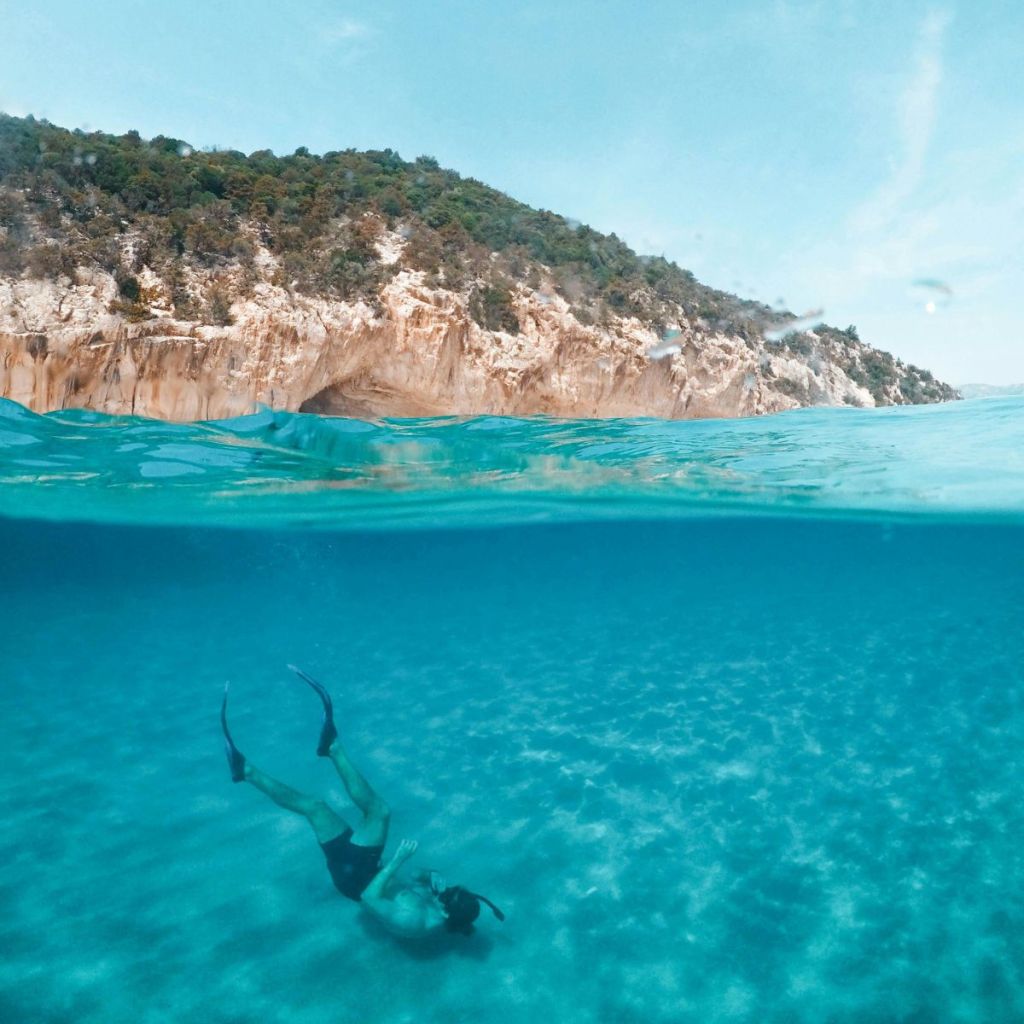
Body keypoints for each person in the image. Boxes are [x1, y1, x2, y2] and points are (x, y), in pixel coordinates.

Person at [220, 666, 504, 939]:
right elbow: (414, 877)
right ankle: (245, 771)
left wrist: (395, 861)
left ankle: (332, 747)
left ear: (445, 913)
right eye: (451, 890)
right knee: (315, 806)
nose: (445, 892)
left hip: (357, 880)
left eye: (448, 896)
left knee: (379, 811)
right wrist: (433, 876)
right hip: (367, 870)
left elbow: (369, 900)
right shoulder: (441, 905)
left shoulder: (414, 922)